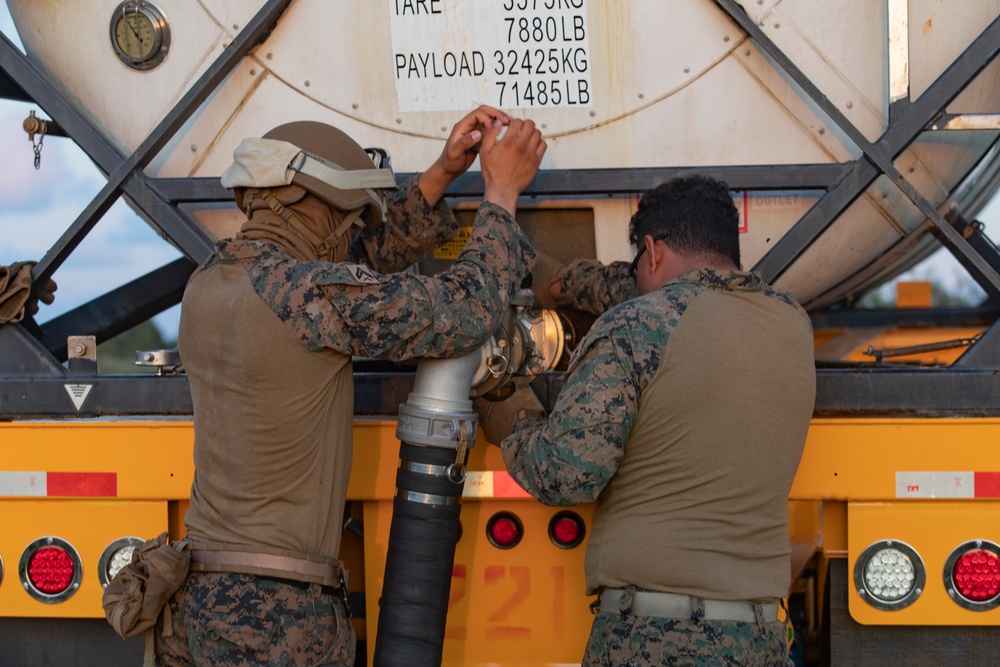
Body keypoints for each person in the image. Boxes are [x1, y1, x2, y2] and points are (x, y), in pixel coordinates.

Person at [158, 106, 546, 666]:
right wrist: (501, 193)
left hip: (197, 599)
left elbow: (353, 266)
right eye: (350, 217)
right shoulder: (310, 295)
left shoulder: (215, 278)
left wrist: (441, 172)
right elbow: (465, 309)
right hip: (274, 616)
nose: (354, 233)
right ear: (312, 205)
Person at [474, 175, 816, 666]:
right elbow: (688, 298)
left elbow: (564, 474)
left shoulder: (635, 327)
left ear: (652, 251)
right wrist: (563, 280)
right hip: (761, 638)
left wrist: (507, 407)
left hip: (659, 641)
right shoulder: (791, 323)